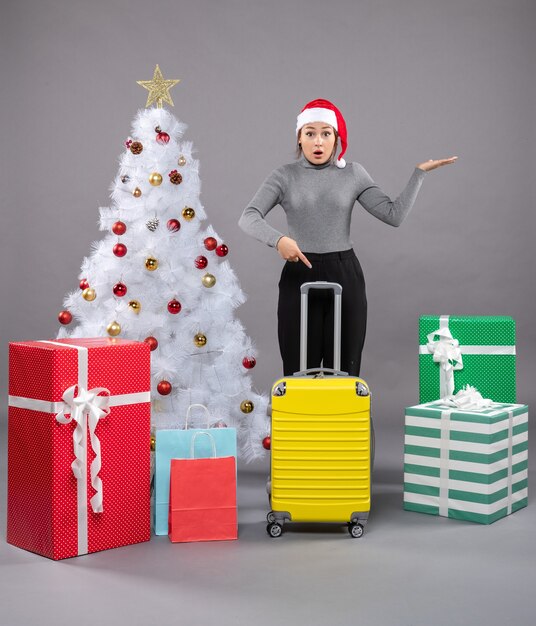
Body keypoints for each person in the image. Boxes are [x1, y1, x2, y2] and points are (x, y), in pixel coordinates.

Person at [238, 99, 457, 377]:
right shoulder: (284, 176)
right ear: (300, 138)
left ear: (337, 138)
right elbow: (248, 216)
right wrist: (279, 240)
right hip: (299, 273)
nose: (318, 142)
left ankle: (341, 419)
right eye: (310, 133)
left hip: (344, 273)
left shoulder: (353, 173)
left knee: (344, 366)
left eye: (325, 133)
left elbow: (393, 215)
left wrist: (419, 174)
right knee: (297, 365)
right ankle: (302, 420)